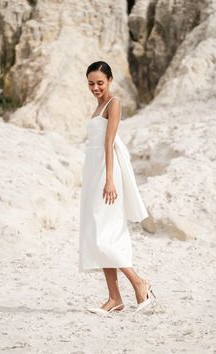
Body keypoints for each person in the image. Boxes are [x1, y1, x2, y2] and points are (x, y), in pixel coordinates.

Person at [78, 61, 156, 314]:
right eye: (91, 83)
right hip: (93, 175)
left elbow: (109, 143)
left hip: (105, 174)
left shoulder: (114, 104)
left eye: (100, 82)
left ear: (110, 80)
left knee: (104, 235)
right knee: (98, 233)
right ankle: (114, 299)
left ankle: (139, 282)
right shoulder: (98, 107)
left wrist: (110, 179)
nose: (95, 87)